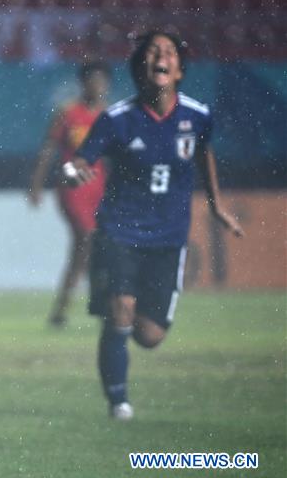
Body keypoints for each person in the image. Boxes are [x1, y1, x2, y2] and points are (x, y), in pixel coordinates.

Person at [66, 31, 244, 421]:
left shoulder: (198, 117)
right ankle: (119, 402)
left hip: (168, 237)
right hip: (120, 231)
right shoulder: (116, 120)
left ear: (179, 70)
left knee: (149, 336)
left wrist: (215, 204)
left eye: (168, 53)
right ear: (139, 68)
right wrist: (72, 171)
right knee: (121, 310)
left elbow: (204, 153)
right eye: (151, 52)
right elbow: (81, 159)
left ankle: (119, 339)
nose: (160, 57)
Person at [29, 62, 111, 326]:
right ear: (83, 83)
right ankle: (92, 304)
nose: (97, 86)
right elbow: (48, 149)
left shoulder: (108, 116)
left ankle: (63, 310)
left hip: (99, 188)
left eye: (101, 81)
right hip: (73, 187)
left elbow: (114, 157)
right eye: (92, 80)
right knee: (86, 238)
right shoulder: (68, 113)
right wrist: (37, 184)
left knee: (87, 249)